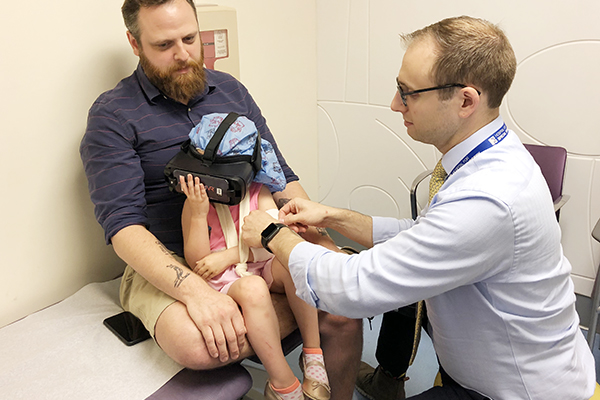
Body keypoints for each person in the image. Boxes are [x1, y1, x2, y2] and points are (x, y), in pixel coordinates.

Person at [241, 15, 596, 400]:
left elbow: (353, 289)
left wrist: (272, 233)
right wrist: (332, 216)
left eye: (407, 92)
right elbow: (424, 234)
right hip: (500, 368)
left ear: (465, 100)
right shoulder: (488, 156)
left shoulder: (489, 198)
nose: (395, 105)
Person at [79, 1, 362, 398]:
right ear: (135, 43)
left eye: (190, 39)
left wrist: (308, 233)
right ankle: (280, 349)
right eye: (164, 45)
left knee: (340, 288)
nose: (182, 55)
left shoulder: (230, 90)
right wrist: (195, 293)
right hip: (172, 255)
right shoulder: (112, 115)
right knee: (196, 342)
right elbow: (124, 228)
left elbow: (280, 173)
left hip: (252, 235)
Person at [179, 113, 330, 400]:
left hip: (258, 260)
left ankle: (313, 354)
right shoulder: (195, 204)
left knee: (294, 260)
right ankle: (282, 382)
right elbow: (199, 262)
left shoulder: (258, 191)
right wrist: (198, 215)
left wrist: (227, 255)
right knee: (253, 287)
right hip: (228, 279)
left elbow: (270, 242)